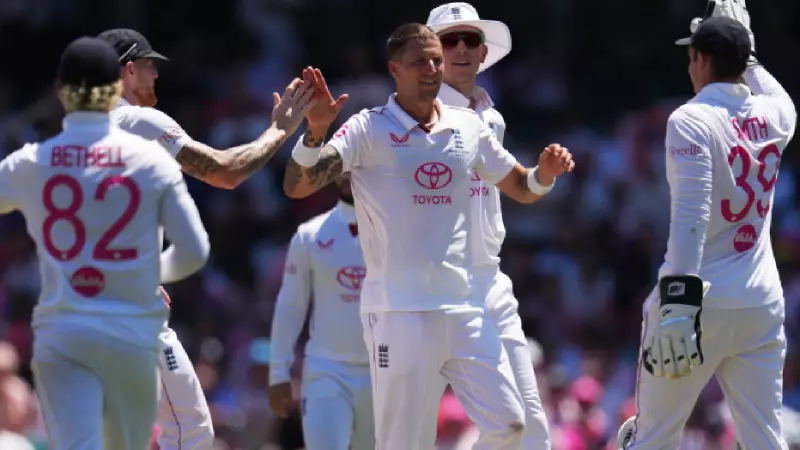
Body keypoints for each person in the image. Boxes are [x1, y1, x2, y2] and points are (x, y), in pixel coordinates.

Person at [283, 23, 574, 449]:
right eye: (420, 61)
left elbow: (521, 186)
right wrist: (315, 133)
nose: (432, 69)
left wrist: (544, 175)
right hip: (398, 312)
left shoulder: (467, 125)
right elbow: (297, 185)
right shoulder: (368, 128)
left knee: (512, 426)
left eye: (436, 61)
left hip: (463, 306)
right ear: (394, 69)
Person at [96, 28, 316, 449]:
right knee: (190, 431)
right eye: (149, 66)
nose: (156, 75)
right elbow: (225, 171)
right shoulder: (137, 121)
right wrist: (279, 130)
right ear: (127, 70)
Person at [0, 37, 210, 449]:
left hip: (62, 331)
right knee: (181, 435)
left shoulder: (32, 160)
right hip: (127, 323)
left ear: (61, 92)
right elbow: (194, 251)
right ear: (115, 87)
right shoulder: (147, 158)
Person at [616, 1, 795, 448]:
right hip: (760, 302)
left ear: (699, 59)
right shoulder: (777, 114)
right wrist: (746, 50)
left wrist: (678, 302)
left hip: (699, 304)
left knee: (653, 437)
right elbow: (776, 93)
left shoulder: (691, 118)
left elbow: (691, 218)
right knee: (764, 439)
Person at [425, 3, 552, 448]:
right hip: (433, 291)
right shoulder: (417, 118)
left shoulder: (491, 117)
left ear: (483, 52)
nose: (461, 49)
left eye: (471, 40)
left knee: (531, 430)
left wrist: (544, 175)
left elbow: (517, 185)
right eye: (449, 40)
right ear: (432, 55)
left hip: (490, 281)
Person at [268, 172, 374, 450]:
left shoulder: (397, 233)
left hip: (383, 371)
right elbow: (291, 305)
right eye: (342, 163)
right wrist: (278, 373)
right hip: (326, 370)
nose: (349, 171)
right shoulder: (309, 235)